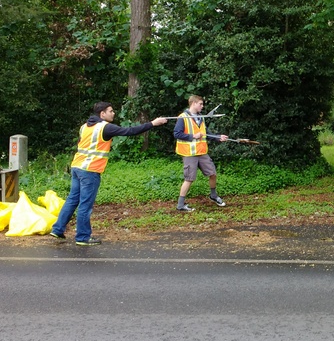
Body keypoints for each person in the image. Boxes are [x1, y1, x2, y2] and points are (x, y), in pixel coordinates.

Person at [50, 102, 167, 245]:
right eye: (111, 111)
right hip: (90, 170)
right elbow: (129, 131)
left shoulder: (84, 126)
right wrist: (152, 123)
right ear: (102, 114)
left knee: (72, 200)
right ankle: (82, 237)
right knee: (85, 205)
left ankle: (57, 229)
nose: (113, 113)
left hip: (77, 167)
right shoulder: (105, 127)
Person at [174, 95, 229, 212]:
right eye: (200, 104)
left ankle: (213, 196)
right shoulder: (183, 117)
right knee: (189, 179)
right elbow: (177, 134)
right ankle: (180, 205)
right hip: (189, 153)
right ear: (193, 103)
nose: (202, 106)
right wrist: (192, 136)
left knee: (213, 173)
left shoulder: (201, 117)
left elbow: (206, 133)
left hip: (202, 152)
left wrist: (218, 137)